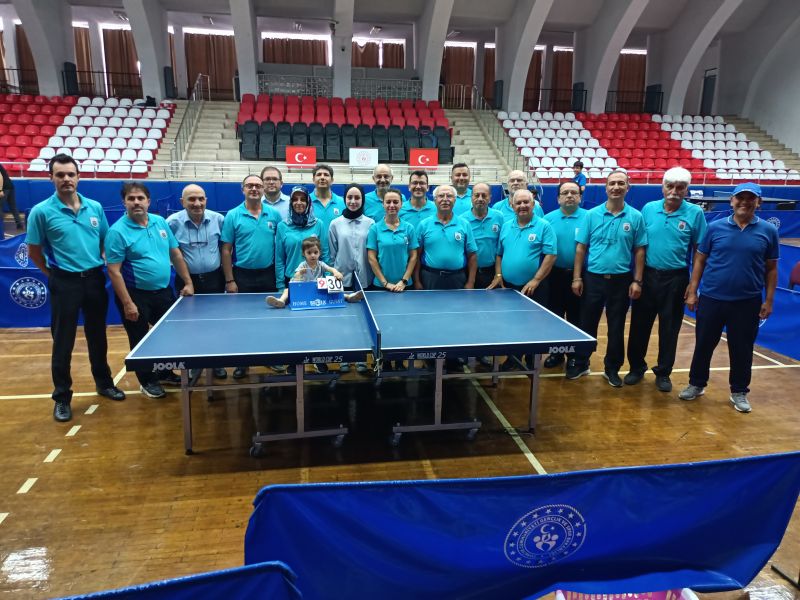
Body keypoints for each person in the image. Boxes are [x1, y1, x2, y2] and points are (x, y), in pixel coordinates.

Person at [26, 154, 124, 422]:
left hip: (94, 280)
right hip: (64, 282)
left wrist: (97, 261)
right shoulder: (41, 212)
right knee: (63, 341)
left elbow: (104, 240)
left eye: (71, 174)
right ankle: (61, 397)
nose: (66, 179)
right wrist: (52, 274)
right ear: (51, 178)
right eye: (60, 175)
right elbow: (34, 251)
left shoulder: (95, 207)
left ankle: (104, 384)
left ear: (78, 177)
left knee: (97, 336)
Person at [680, 182, 779, 413]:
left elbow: (771, 269)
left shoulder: (768, 231)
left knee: (742, 348)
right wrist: (693, 291)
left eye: (750, 198)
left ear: (759, 203)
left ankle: (739, 391)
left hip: (747, 302)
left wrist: (769, 300)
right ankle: (696, 384)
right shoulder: (715, 228)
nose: (744, 202)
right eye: (740, 198)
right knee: (704, 344)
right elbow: (700, 260)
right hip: (712, 298)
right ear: (732, 200)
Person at [106, 182, 194, 399]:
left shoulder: (160, 222)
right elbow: (114, 271)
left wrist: (188, 282)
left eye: (140, 198)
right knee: (140, 339)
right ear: (124, 202)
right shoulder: (117, 232)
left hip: (163, 292)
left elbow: (176, 254)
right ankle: (147, 381)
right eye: (131, 198)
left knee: (167, 334)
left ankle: (165, 372)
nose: (136, 202)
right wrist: (128, 303)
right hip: (135, 294)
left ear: (148, 201)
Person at [625, 167, 707, 392]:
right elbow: (639, 246)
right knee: (639, 325)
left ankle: (663, 372)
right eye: (670, 186)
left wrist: (693, 287)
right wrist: (637, 279)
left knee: (670, 329)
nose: (674, 191)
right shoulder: (648, 209)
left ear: (686, 190)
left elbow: (700, 252)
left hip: (676, 279)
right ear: (662, 187)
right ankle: (636, 367)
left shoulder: (695, 213)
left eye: (680, 187)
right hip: (648, 276)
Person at [570, 170, 647, 386]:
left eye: (621, 183)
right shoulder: (591, 215)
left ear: (627, 188)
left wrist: (637, 281)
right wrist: (577, 278)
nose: (616, 187)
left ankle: (612, 368)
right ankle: (581, 362)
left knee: (616, 325)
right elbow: (581, 248)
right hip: (593, 278)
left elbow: (640, 250)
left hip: (621, 280)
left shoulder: (636, 217)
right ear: (606, 188)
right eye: (612, 183)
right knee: (586, 323)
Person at [221, 175, 282, 379]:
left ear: (263, 189)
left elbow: (280, 245)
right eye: (250, 186)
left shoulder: (273, 214)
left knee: (270, 320)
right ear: (243, 189)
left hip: (268, 274)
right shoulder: (233, 215)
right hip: (243, 276)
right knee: (243, 322)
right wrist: (230, 280)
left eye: (258, 185)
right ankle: (243, 362)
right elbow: (226, 250)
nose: (254, 188)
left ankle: (271, 358)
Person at [490, 188, 557, 370]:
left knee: (533, 324)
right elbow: (499, 254)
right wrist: (498, 275)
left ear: (533, 204)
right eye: (518, 203)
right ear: (512, 206)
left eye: (526, 202)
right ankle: (513, 358)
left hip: (534, 287)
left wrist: (536, 279)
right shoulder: (506, 226)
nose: (522, 206)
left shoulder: (544, 226)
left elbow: (551, 255)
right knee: (512, 324)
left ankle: (531, 359)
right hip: (509, 287)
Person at [166, 183, 228, 379]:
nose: (197, 203)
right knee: (190, 325)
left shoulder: (219, 219)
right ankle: (194, 363)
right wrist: (187, 281)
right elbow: (171, 252)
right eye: (191, 199)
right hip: (187, 281)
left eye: (201, 199)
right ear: (182, 202)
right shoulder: (172, 223)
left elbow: (226, 248)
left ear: (206, 200)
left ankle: (217, 362)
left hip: (214, 278)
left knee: (216, 323)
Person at [542, 181, 589, 370]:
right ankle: (556, 353)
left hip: (580, 276)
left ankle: (575, 356)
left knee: (577, 317)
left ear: (580, 197)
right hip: (554, 275)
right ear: (558, 198)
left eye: (573, 192)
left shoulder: (589, 217)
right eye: (565, 193)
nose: (569, 195)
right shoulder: (548, 219)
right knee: (555, 316)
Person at [329, 184, 374, 373]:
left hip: (364, 279)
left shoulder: (371, 223)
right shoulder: (335, 224)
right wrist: (335, 273)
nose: (353, 201)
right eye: (350, 197)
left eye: (357, 198)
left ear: (362, 200)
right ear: (344, 199)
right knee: (343, 320)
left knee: (362, 321)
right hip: (342, 279)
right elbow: (332, 253)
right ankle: (344, 359)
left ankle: (362, 358)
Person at [413, 184, 477, 291]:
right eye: (441, 196)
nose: (445, 199)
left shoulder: (464, 224)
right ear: (434, 200)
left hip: (457, 278)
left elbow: (472, 256)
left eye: (449, 196)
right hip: (429, 277)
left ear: (455, 200)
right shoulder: (424, 225)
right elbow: (416, 255)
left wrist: (471, 282)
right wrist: (416, 281)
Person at [266, 237, 362, 308]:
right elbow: (295, 276)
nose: (313, 255)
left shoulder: (321, 264)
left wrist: (336, 272)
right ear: (303, 253)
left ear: (319, 253)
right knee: (287, 290)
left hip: (319, 289)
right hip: (305, 289)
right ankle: (281, 301)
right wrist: (300, 273)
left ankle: (349, 297)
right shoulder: (302, 265)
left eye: (315, 252)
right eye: (309, 253)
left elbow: (330, 269)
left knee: (332, 289)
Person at [276, 187, 330, 291]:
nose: (299, 202)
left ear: (308, 202)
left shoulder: (318, 224)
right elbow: (279, 259)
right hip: (292, 279)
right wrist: (280, 285)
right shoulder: (282, 226)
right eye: (295, 199)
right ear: (291, 202)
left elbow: (325, 255)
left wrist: (328, 279)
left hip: (316, 280)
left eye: (303, 199)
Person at [465, 182, 505, 289]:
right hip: (468, 273)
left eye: (484, 195)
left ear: (490, 198)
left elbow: (502, 248)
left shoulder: (499, 217)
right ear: (471, 198)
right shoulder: (462, 220)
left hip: (492, 272)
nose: (480, 198)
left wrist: (498, 274)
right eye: (477, 195)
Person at [309, 163, 345, 232]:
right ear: (313, 180)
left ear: (332, 180)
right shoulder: (305, 202)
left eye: (326, 175)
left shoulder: (343, 203)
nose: (322, 177)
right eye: (319, 174)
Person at [0, 162, 23, 232]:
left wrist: (0, 190)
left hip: (4, 188)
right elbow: (6, 176)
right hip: (10, 185)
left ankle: (1, 227)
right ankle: (19, 225)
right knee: (13, 207)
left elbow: (0, 177)